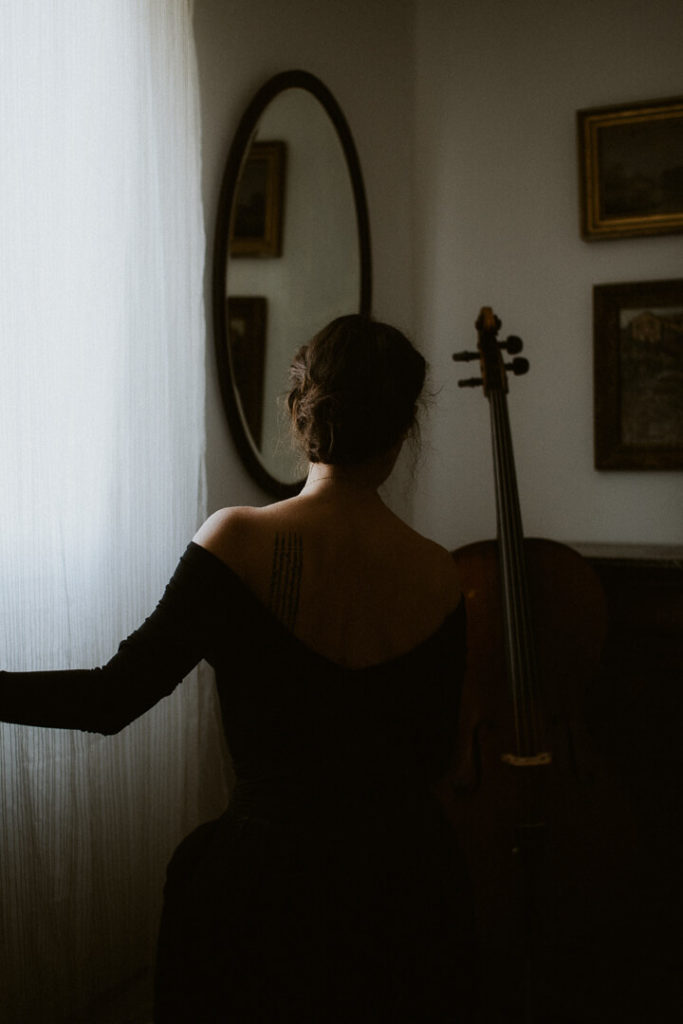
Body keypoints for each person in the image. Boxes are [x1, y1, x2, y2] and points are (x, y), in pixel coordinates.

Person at [1, 315, 479, 1021]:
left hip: (266, 885)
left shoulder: (240, 540)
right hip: (404, 883)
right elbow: (439, 758)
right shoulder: (440, 574)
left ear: (298, 412)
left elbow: (109, 699)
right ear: (404, 428)